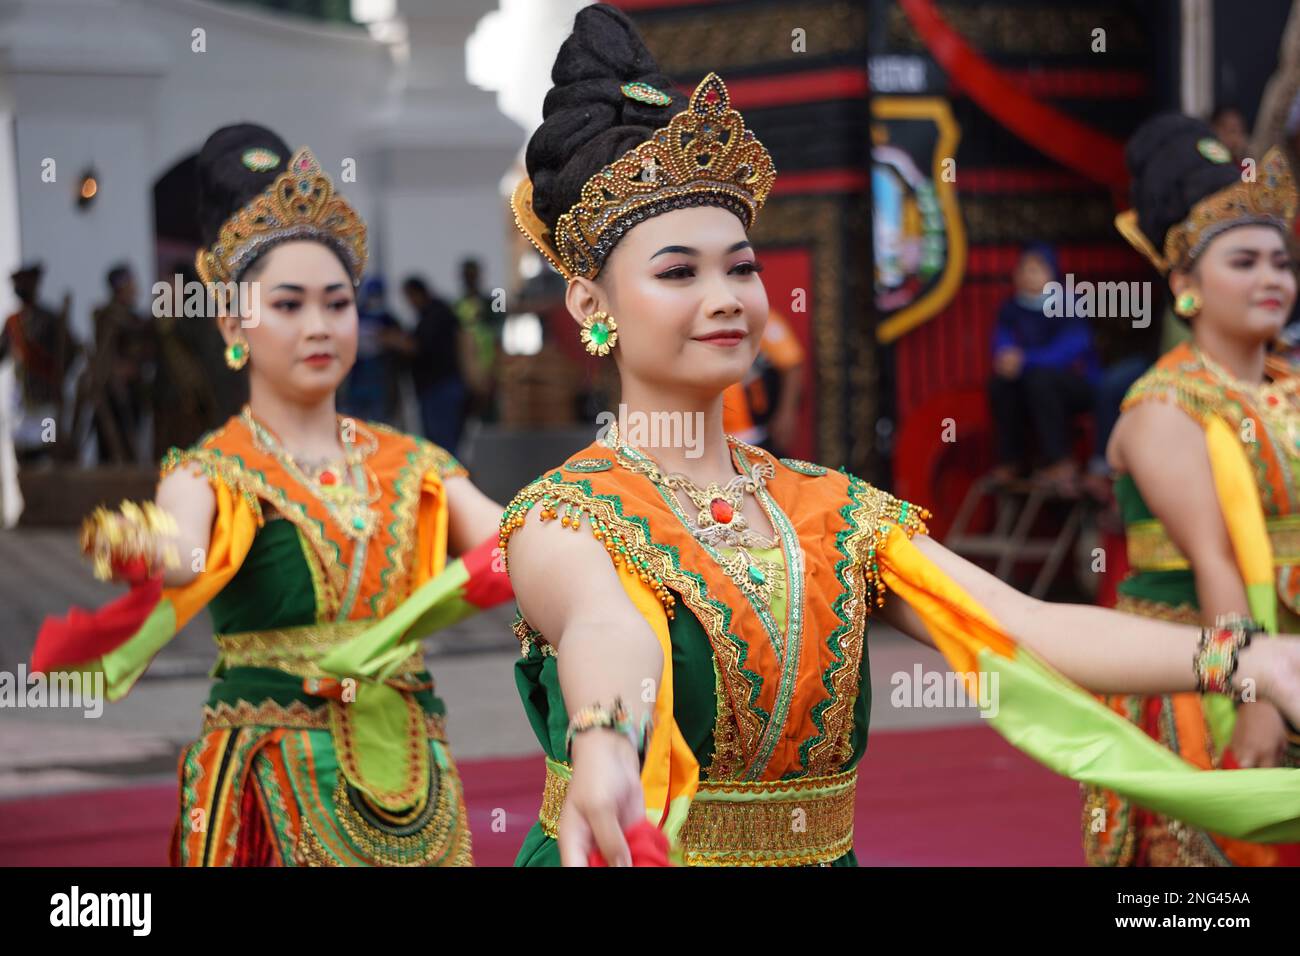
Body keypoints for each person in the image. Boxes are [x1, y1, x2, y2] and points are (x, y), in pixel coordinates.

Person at [488, 4, 1300, 868]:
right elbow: (603, 629)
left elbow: (1022, 626)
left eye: (742, 266)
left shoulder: (832, 511)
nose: (725, 296)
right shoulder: (566, 517)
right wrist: (607, 742)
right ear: (591, 305)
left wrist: (1253, 659)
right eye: (678, 271)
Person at [31, 124, 511, 867]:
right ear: (233, 322)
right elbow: (186, 552)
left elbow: (508, 541)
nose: (319, 327)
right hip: (273, 772)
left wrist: (586, 520)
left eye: (337, 303)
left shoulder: (413, 461)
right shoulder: (211, 470)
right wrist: (140, 542)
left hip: (411, 753)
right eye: (288, 306)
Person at [1087, 113, 1300, 866]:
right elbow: (1215, 561)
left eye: (1281, 262)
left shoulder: (1291, 387)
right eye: (1244, 262)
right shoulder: (1164, 406)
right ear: (1184, 285)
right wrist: (1254, 699)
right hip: (1201, 667)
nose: (1271, 279)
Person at [988, 243, 1099, 496]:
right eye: (1024, 269)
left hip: (1076, 384)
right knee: (1001, 384)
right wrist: (1006, 358)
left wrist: (1026, 359)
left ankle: (1061, 463)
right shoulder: (1011, 308)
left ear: (1052, 274)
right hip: (1031, 380)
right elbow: (1002, 341)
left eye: (1036, 269)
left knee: (1040, 380)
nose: (1029, 275)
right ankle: (1012, 461)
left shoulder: (1068, 304)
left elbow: (1071, 350)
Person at [0, 263, 74, 459]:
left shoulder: (50, 319)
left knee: (48, 448)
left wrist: (58, 376)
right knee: (23, 451)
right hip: (21, 399)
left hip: (45, 397)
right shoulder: (12, 322)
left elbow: (70, 350)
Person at [88, 263, 154, 463]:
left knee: (132, 448)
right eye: (130, 284)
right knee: (111, 449)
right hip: (110, 394)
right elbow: (104, 353)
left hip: (132, 393)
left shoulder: (135, 319)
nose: (135, 288)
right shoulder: (106, 316)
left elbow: (144, 350)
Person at [721, 308, 804, 455]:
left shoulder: (761, 320)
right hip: (708, 434)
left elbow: (791, 363)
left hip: (755, 431)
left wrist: (786, 414)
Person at [402, 276, 467, 453]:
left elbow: (420, 346)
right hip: (440, 387)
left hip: (439, 388)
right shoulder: (438, 313)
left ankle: (449, 480)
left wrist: (396, 341)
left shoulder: (434, 315)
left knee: (443, 446)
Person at [340, 276, 403, 426]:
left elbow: (400, 343)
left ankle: (378, 447)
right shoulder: (355, 315)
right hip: (357, 374)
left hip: (380, 375)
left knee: (379, 419)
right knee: (352, 417)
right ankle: (349, 445)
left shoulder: (388, 318)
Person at [453, 257, 498, 421]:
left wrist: (494, 369)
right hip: (466, 369)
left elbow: (498, 335)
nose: (469, 279)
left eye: (472, 274)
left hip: (488, 365)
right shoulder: (457, 304)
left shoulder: (492, 302)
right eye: (466, 275)